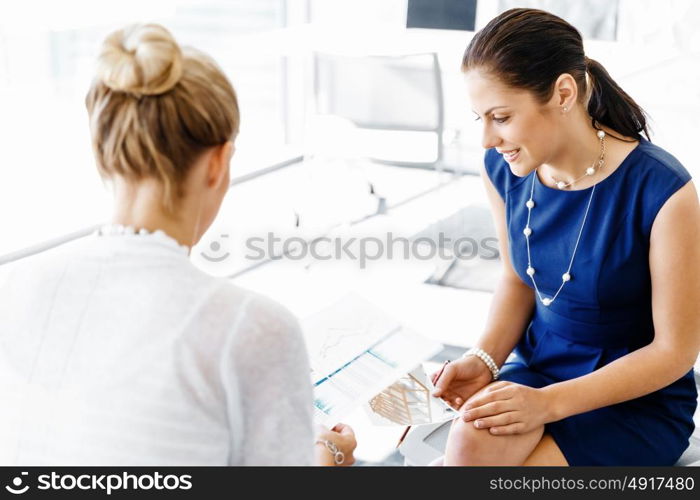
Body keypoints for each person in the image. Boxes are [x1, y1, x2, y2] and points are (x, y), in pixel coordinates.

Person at [0, 23, 355, 466]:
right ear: (218, 163)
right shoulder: (252, 327)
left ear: (103, 154)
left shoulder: (14, 288)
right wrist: (328, 456)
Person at [431, 8, 700, 466]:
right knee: (469, 441)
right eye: (480, 117)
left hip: (633, 398)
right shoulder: (503, 169)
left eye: (501, 116)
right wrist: (484, 359)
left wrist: (548, 404)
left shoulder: (663, 190)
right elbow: (518, 280)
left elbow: (674, 352)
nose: (487, 139)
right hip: (537, 369)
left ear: (562, 93)